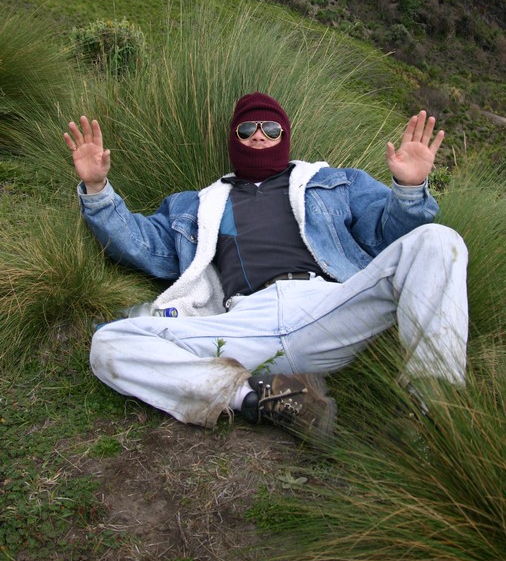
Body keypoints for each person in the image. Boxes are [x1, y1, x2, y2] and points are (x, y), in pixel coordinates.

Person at [64, 93, 468, 442]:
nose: (259, 134)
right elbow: (141, 245)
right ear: (234, 138)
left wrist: (409, 189)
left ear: (284, 136)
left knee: (439, 240)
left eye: (271, 129)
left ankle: (432, 413)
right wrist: (98, 190)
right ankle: (261, 396)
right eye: (248, 129)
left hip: (327, 308)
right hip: (245, 321)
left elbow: (387, 236)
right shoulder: (195, 205)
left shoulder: (333, 183)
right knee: (109, 344)